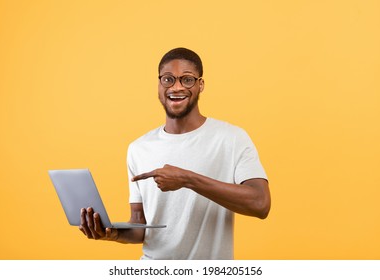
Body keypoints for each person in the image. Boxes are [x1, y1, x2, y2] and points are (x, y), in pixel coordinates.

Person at [79, 47, 271, 259]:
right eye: (168, 79)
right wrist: (111, 233)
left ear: (201, 85)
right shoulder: (138, 148)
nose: (177, 87)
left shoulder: (232, 138)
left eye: (187, 80)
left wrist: (187, 179)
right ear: (159, 85)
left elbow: (260, 204)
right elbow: (139, 226)